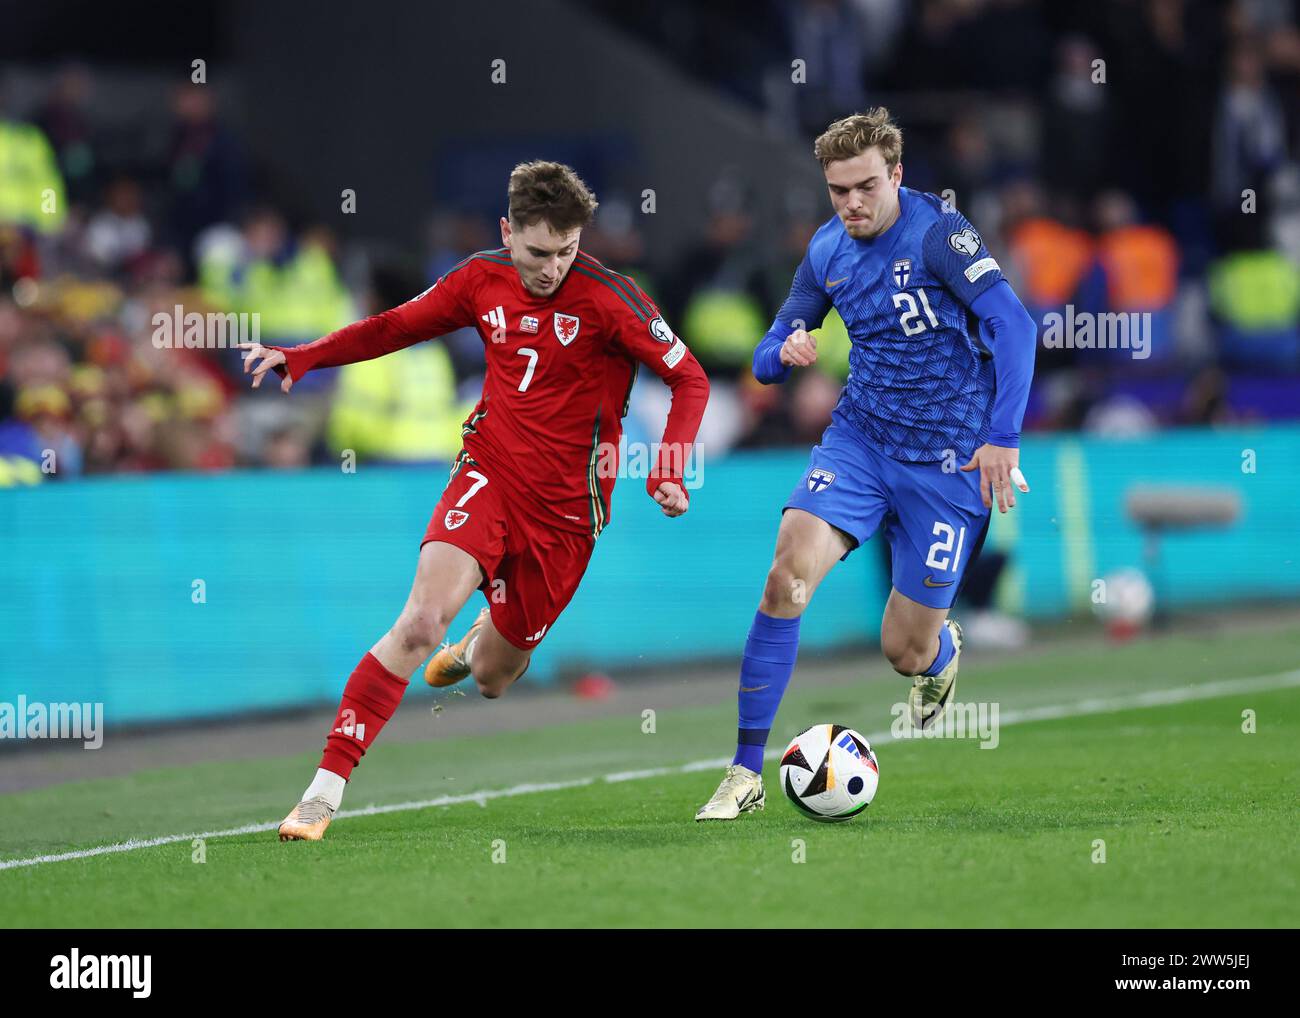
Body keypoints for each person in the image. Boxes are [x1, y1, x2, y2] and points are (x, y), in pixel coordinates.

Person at [239, 161, 710, 841]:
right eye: (539, 252)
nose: (552, 269)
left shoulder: (613, 299)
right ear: (506, 232)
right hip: (488, 474)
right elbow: (392, 328)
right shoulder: (477, 279)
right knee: (419, 621)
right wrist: (305, 356)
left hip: (570, 513)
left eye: (568, 251)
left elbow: (689, 379)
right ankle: (322, 791)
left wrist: (669, 465)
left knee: (494, 677)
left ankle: (479, 643)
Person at [695, 109, 1036, 821]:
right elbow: (770, 348)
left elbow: (1013, 324)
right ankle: (743, 772)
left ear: (897, 176)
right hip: (861, 442)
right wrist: (780, 351)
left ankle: (939, 653)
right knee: (786, 576)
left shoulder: (940, 233)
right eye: (838, 189)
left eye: (866, 186)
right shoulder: (826, 251)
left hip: (947, 462)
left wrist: (1002, 435)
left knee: (904, 651)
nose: (852, 202)